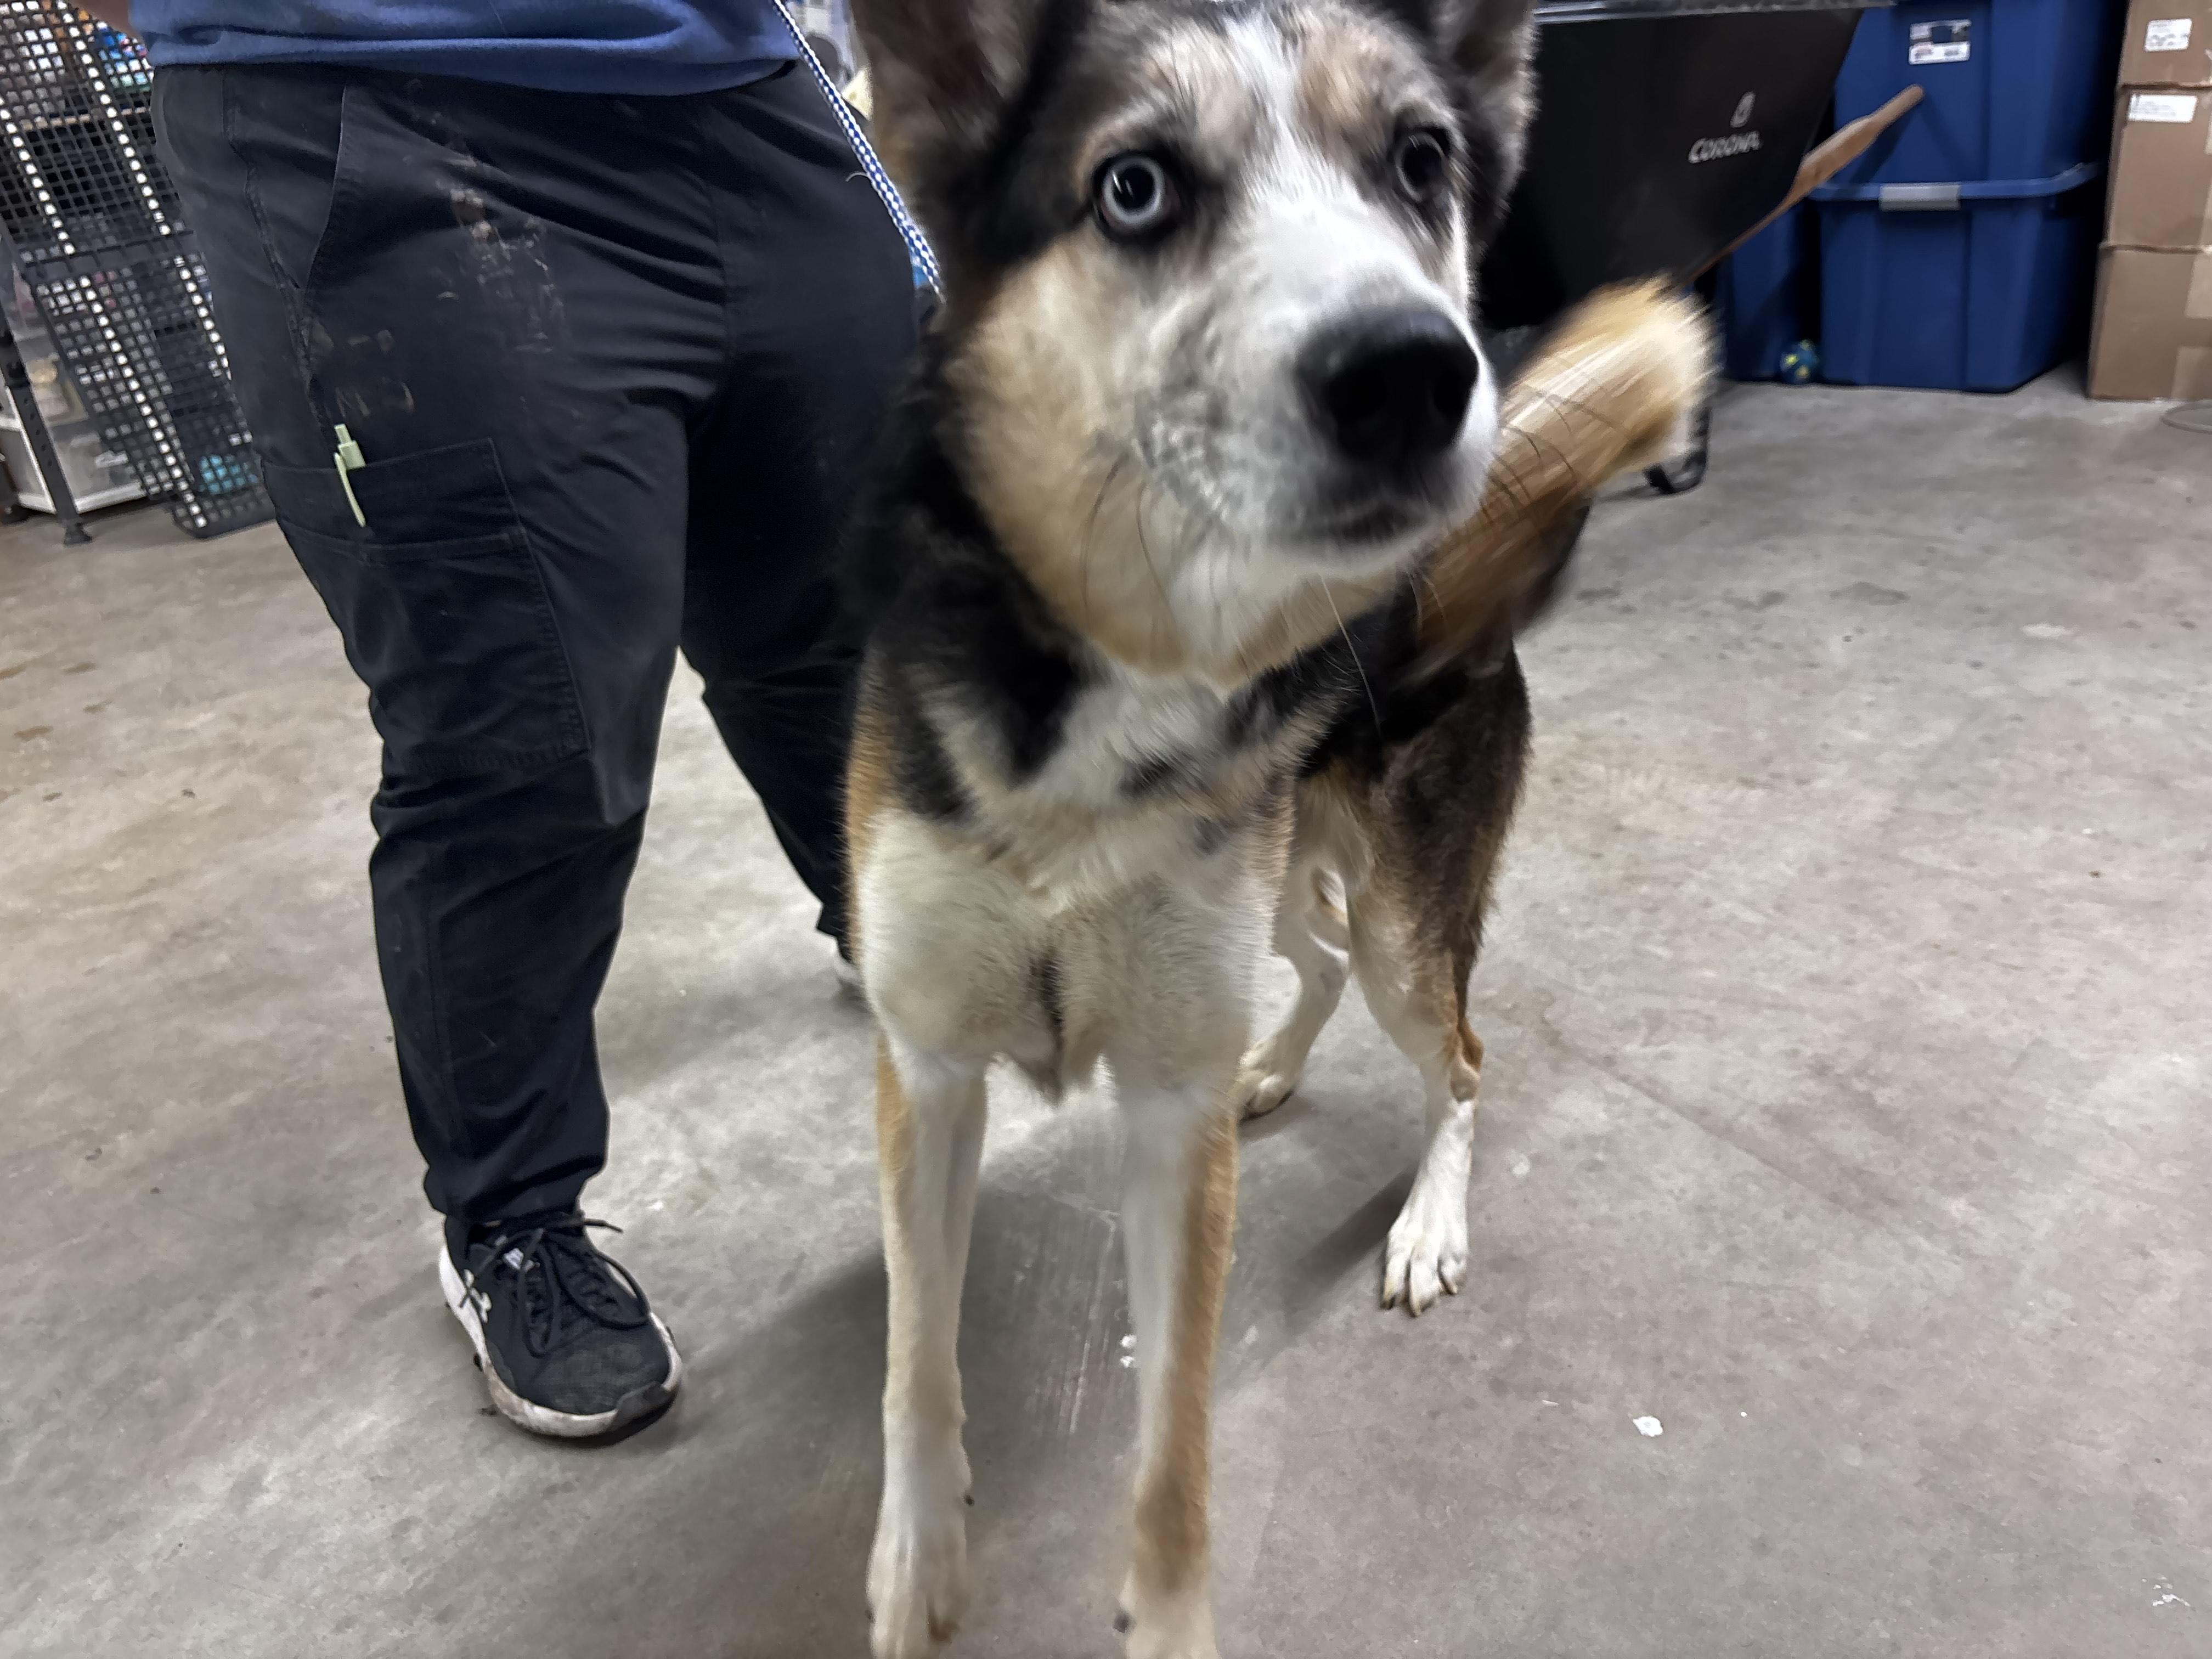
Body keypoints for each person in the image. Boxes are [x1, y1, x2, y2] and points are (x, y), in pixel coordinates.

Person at [105, 3, 918, 1436]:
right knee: (524, 735)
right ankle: (512, 1222)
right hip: (375, 110)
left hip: (737, 85)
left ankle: (899, 935)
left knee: (836, 621)